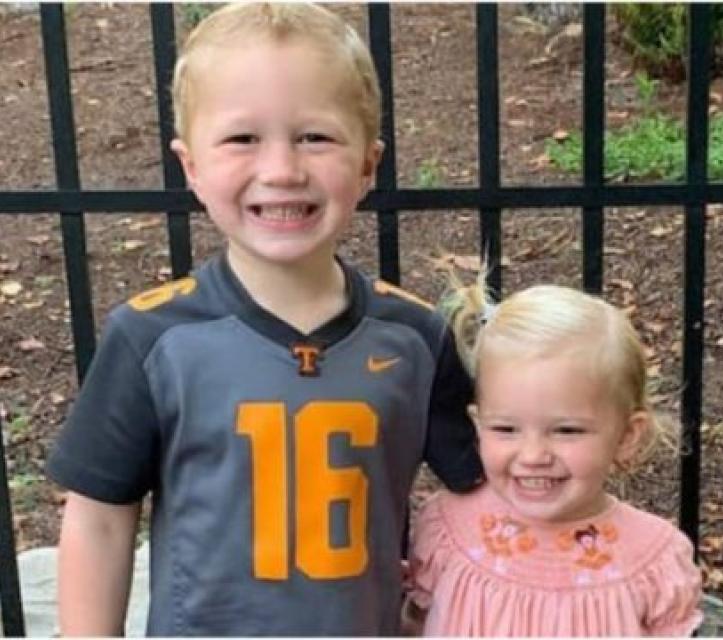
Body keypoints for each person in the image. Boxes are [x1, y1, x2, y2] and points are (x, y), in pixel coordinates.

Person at [46, 3, 482, 635]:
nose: (282, 170)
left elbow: (486, 487)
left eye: (315, 137)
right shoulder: (152, 339)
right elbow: (98, 520)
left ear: (368, 164)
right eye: (243, 139)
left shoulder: (416, 337)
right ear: (191, 167)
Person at [404, 274, 703, 636]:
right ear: (477, 424)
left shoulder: (652, 561)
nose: (533, 455)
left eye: (566, 431)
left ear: (626, 435)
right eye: (506, 429)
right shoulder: (448, 531)